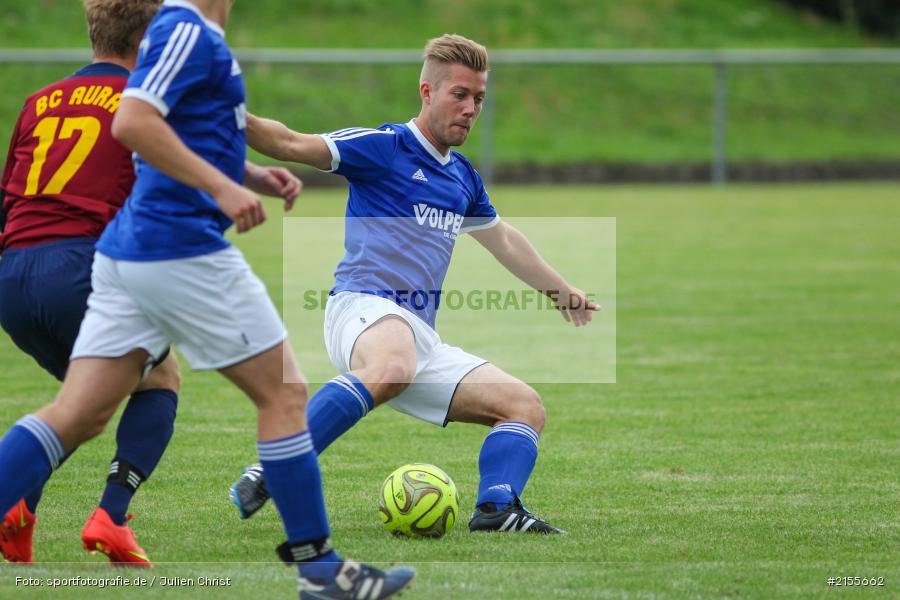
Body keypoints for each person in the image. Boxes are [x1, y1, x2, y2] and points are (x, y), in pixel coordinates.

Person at [0, 1, 414, 598]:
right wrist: (223, 186)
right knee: (284, 395)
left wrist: (250, 174)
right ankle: (322, 571)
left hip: (122, 252)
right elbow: (133, 121)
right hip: (179, 247)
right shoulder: (185, 27)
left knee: (78, 414)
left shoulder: (190, 31)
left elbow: (178, 129)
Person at [231, 34, 598, 534]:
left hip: (419, 337)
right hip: (363, 309)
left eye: (479, 98)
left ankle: (497, 508)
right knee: (394, 363)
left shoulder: (462, 177)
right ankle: (277, 462)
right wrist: (226, 113)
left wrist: (561, 291)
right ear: (427, 92)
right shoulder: (384, 148)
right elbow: (291, 143)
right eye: (459, 94)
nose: (470, 109)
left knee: (523, 406)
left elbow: (503, 240)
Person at [0, 0, 181, 567]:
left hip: (12, 274)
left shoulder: (39, 101)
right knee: (161, 378)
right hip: (80, 267)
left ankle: (20, 507)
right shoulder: (144, 104)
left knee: (84, 404)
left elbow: (10, 197)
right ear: (147, 38)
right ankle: (111, 515)